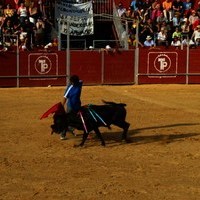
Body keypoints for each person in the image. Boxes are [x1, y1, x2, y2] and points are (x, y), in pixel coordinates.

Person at [60, 75, 83, 140]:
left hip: (78, 106)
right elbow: (65, 98)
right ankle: (63, 134)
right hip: (70, 106)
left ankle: (70, 129)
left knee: (79, 119)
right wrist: (61, 107)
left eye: (72, 82)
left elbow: (81, 80)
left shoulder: (80, 83)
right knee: (67, 120)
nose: (71, 83)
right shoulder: (70, 88)